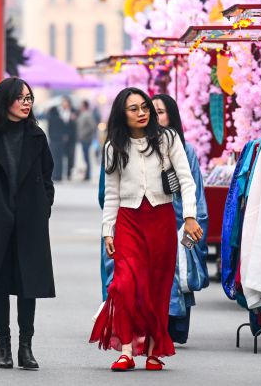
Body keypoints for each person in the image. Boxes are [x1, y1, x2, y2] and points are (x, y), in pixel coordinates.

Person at [89, 87, 201, 372]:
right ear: (122, 114)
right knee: (124, 284)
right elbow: (111, 193)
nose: (142, 113)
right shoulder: (113, 147)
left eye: (145, 107)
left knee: (156, 286)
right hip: (128, 221)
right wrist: (107, 231)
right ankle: (126, 350)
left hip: (161, 219)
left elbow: (186, 180)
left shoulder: (167, 139)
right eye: (134, 109)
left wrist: (190, 216)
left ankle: (152, 351)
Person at [0, 77, 56, 370]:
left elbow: (47, 175)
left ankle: (25, 347)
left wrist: (44, 207)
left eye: (29, 98)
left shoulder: (37, 136)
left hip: (30, 221)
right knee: (0, 284)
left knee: (29, 284)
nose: (26, 103)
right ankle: (3, 345)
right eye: (20, 98)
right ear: (5, 101)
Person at [152, 94, 209, 344]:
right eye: (151, 111)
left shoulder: (186, 150)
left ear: (171, 116)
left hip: (180, 226)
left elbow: (196, 193)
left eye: (160, 112)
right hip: (152, 224)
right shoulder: (140, 147)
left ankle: (173, 328)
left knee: (179, 274)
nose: (155, 117)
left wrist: (191, 231)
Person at [47, 97, 76, 181]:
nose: (64, 104)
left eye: (65, 102)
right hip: (57, 138)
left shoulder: (73, 112)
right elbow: (51, 126)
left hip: (69, 139)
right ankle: (57, 175)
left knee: (68, 157)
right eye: (63, 102)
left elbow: (71, 127)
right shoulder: (57, 113)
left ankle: (67, 174)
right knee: (56, 157)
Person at [77, 100, 98, 181]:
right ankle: (87, 174)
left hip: (86, 139)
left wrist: (84, 134)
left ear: (84, 106)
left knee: (87, 157)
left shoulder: (88, 115)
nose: (80, 107)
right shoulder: (82, 114)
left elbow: (93, 126)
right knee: (85, 157)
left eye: (81, 105)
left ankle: (88, 174)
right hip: (83, 139)